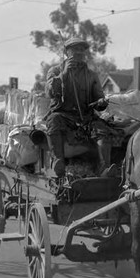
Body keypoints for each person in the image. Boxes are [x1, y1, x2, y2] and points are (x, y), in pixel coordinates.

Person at [44, 37, 115, 177]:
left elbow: (99, 99)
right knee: (53, 120)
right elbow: (50, 92)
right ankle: (58, 162)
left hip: (86, 117)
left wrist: (102, 102)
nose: (79, 52)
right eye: (75, 49)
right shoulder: (55, 71)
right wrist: (63, 74)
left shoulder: (91, 75)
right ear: (66, 52)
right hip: (64, 116)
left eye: (82, 49)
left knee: (103, 130)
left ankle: (104, 168)